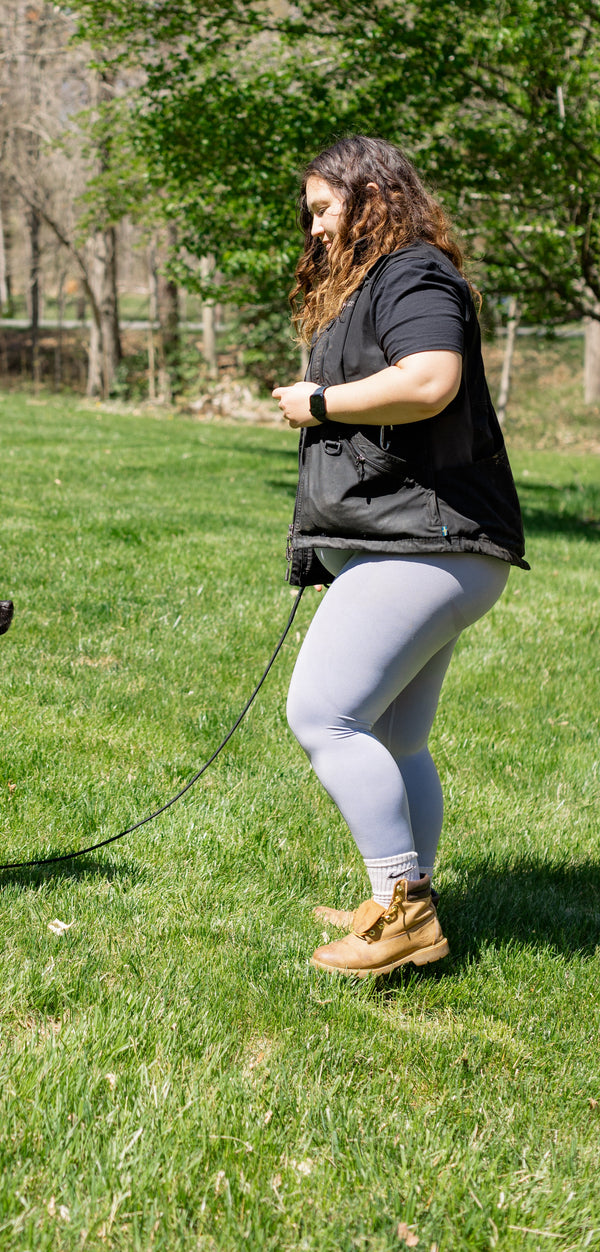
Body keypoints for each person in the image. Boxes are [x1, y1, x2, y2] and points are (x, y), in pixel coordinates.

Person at [271, 135, 527, 977]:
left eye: (322, 209)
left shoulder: (412, 271)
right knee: (396, 735)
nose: (312, 229)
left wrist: (317, 401)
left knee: (323, 715)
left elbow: (429, 380)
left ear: (371, 196)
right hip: (433, 542)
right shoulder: (384, 279)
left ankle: (402, 911)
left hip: (433, 540)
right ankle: (404, 893)